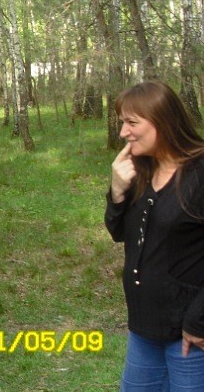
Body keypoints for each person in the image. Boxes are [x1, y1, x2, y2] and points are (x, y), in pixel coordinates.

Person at [105, 81, 204, 390]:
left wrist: (198, 321)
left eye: (132, 122)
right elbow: (119, 233)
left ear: (163, 121)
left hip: (190, 335)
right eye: (122, 122)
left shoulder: (199, 173)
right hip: (144, 328)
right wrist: (117, 191)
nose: (124, 132)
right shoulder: (141, 169)